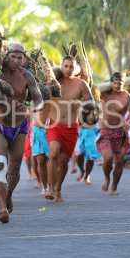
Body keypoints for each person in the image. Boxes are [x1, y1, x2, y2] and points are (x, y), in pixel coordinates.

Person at [0, 44, 43, 222]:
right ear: (6, 56)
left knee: (15, 170)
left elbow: (39, 99)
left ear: (24, 59)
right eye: (13, 57)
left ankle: (8, 195)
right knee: (0, 163)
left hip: (19, 126)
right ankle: (2, 208)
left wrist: (28, 109)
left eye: (20, 58)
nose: (16, 61)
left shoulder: (27, 75)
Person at [46, 56, 95, 202]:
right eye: (66, 66)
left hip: (71, 128)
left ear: (75, 68)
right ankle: (50, 188)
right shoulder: (53, 82)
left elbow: (92, 104)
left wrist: (80, 103)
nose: (68, 69)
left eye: (71, 66)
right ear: (61, 66)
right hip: (54, 125)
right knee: (53, 153)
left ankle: (58, 189)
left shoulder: (81, 84)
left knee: (64, 161)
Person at [96, 72, 130, 195]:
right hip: (105, 131)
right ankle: (107, 178)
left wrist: (129, 123)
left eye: (120, 83)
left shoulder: (126, 96)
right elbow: (89, 95)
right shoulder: (103, 94)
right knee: (108, 158)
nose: (117, 85)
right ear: (111, 83)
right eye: (114, 83)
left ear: (123, 84)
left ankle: (114, 187)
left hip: (120, 132)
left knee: (119, 161)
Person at [31, 101, 51, 196]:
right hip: (36, 130)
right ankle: (45, 188)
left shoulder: (55, 92)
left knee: (52, 160)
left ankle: (53, 186)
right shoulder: (35, 92)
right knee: (40, 160)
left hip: (51, 130)